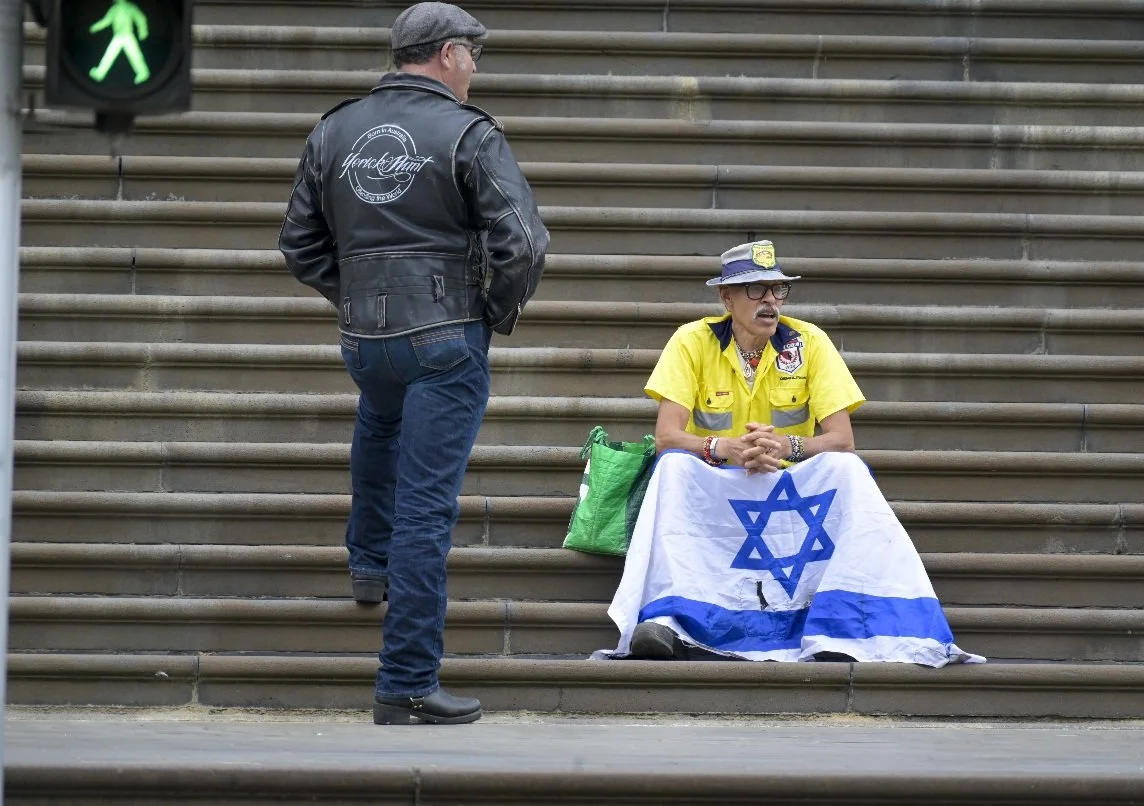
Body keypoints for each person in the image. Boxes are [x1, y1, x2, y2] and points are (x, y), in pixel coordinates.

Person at [279, 1, 549, 725]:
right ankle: (404, 683)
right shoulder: (469, 132)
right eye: (473, 56)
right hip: (444, 332)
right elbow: (523, 242)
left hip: (367, 337)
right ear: (449, 53)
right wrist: (494, 309)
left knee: (377, 424)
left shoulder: (334, 128)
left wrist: (359, 292)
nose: (475, 70)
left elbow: (298, 243)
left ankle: (369, 568)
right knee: (425, 511)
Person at [600, 240, 980, 666]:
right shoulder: (692, 341)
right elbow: (668, 436)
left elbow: (841, 438)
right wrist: (726, 448)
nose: (769, 300)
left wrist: (787, 445)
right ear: (725, 297)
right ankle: (669, 619)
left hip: (789, 485)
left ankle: (846, 620)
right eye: (755, 289)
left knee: (846, 468)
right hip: (717, 485)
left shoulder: (809, 341)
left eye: (777, 290)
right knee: (671, 467)